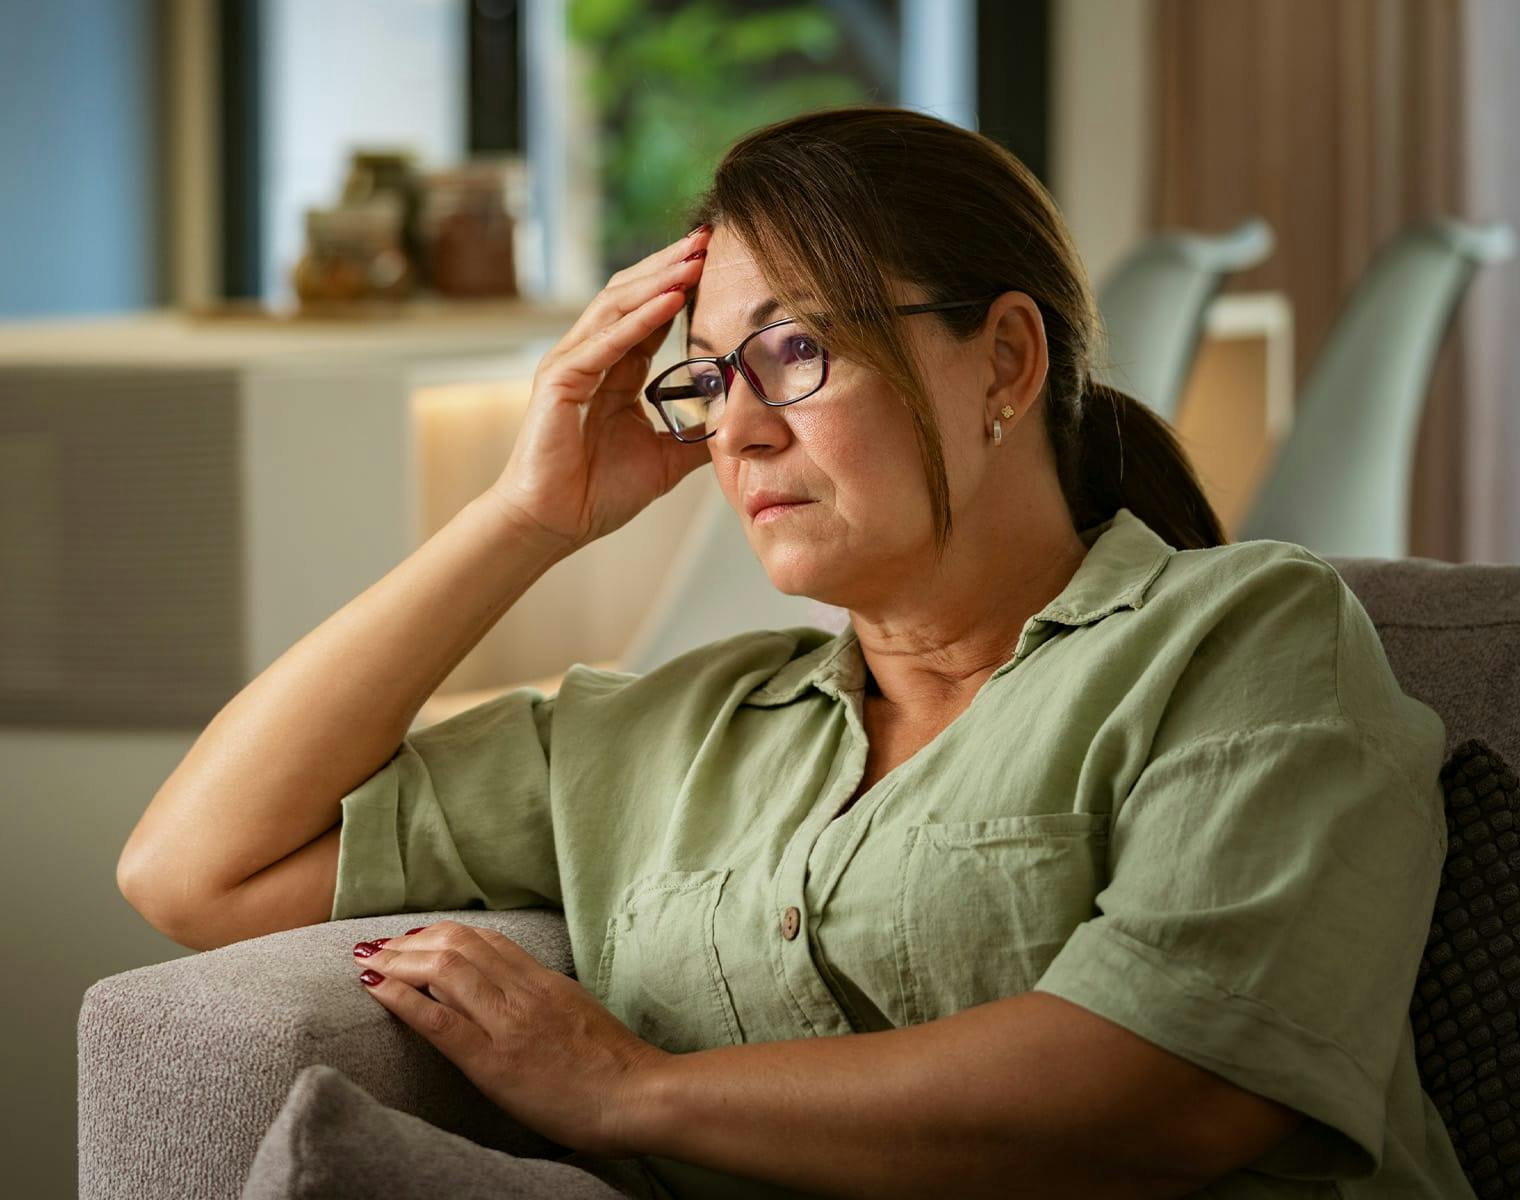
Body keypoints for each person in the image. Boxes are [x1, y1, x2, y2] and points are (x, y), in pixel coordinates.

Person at [118, 105, 1475, 1200]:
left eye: (792, 351)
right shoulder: (667, 737)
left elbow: (1173, 1089)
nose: (736, 428)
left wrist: (630, 1091)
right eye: (710, 378)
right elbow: (193, 869)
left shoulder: (1243, 637)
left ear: (1006, 361)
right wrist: (525, 517)